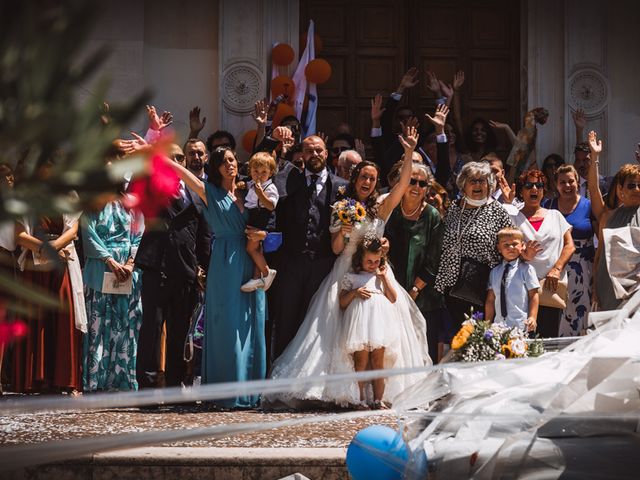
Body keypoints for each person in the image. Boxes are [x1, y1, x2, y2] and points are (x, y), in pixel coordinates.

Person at [267, 125, 430, 408]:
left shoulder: (381, 207)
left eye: (372, 178)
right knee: (335, 335)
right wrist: (342, 232)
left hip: (376, 278)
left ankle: (374, 395)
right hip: (344, 272)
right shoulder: (341, 206)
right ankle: (343, 390)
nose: (367, 182)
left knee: (377, 338)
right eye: (363, 177)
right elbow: (335, 249)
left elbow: (401, 186)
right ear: (354, 180)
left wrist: (409, 152)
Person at [163, 146, 265, 408]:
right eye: (223, 162)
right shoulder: (211, 193)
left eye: (232, 159)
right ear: (216, 167)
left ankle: (248, 391)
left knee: (250, 323)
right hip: (225, 262)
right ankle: (225, 392)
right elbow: (187, 176)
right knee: (227, 325)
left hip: (248, 258)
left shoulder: (246, 191)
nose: (230, 165)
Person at [264, 131, 348, 363]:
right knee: (286, 321)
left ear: (327, 153)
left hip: (323, 265)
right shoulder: (286, 180)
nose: (314, 154)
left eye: (319, 150)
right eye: (309, 150)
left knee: (316, 324)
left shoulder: (342, 186)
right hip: (290, 264)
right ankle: (280, 377)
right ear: (301, 154)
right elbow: (262, 165)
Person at [135, 139, 212, 388]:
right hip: (156, 267)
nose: (176, 162)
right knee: (151, 331)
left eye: (180, 158)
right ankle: (147, 387)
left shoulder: (197, 191)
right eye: (172, 158)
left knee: (180, 332)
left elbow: (204, 234)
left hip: (185, 271)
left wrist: (206, 269)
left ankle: (175, 385)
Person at [12, 161, 85, 393]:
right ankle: (35, 379)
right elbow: (19, 234)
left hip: (63, 260)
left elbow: (73, 229)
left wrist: (55, 246)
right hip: (36, 264)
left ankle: (63, 378)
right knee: (37, 318)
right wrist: (45, 248)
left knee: (63, 314)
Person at [434, 162, 513, 335]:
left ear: (489, 185)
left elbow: (511, 244)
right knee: (454, 340)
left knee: (475, 338)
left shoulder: (498, 211)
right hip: (449, 285)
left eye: (482, 181)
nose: (477, 185)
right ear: (463, 184)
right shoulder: (455, 208)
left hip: (480, 288)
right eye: (472, 180)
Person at [81, 185, 144, 391]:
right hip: (101, 267)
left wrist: (130, 262)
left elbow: (140, 232)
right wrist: (109, 260)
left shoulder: (132, 202)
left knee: (125, 323)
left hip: (127, 269)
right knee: (98, 323)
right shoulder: (92, 202)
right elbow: (87, 232)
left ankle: (122, 376)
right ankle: (96, 377)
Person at [384, 161, 446, 362]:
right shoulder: (390, 209)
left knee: (423, 349)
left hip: (424, 294)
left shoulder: (432, 216)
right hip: (389, 290)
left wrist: (415, 290)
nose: (417, 187)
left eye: (422, 184)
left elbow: (434, 258)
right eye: (412, 181)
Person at [505, 169, 575, 338]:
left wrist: (557, 269)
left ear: (544, 190)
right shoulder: (512, 218)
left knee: (549, 338)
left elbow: (569, 246)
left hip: (550, 288)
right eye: (529, 185)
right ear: (521, 191)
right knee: (522, 340)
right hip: (521, 290)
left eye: (539, 185)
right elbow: (506, 249)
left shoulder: (555, 215)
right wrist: (522, 256)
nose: (534, 189)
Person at [339, 233, 398, 409]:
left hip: (379, 324)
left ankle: (378, 399)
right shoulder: (352, 278)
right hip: (360, 325)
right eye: (369, 262)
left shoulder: (380, 278)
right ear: (360, 260)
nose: (373, 265)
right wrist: (355, 293)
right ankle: (360, 399)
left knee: (378, 362)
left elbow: (393, 298)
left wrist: (384, 278)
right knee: (361, 361)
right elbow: (342, 303)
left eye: (376, 261)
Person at [588, 131, 640, 311]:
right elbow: (599, 255)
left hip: (635, 290)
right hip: (607, 289)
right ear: (620, 189)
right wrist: (594, 157)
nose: (636, 189)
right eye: (631, 185)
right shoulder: (608, 216)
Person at [545, 165, 594, 336]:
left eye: (571, 181)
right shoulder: (548, 205)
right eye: (562, 182)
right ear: (556, 185)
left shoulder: (589, 205)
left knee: (582, 311)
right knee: (559, 310)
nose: (567, 186)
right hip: (556, 266)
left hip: (585, 268)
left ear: (578, 181)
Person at [485, 227, 539, 331]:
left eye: (514, 244)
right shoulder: (494, 272)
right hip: (498, 326)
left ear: (522, 246)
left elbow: (534, 295)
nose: (511, 247)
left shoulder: (527, 269)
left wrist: (532, 317)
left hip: (521, 325)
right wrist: (487, 323)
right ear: (499, 248)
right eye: (506, 245)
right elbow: (490, 300)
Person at [240, 152, 279, 292]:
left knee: (250, 248)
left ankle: (267, 272)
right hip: (254, 216)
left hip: (262, 218)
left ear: (271, 172)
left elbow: (271, 206)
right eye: (255, 171)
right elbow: (246, 185)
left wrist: (260, 194)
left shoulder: (270, 187)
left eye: (264, 172)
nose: (259, 175)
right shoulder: (252, 183)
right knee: (257, 249)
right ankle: (257, 277)